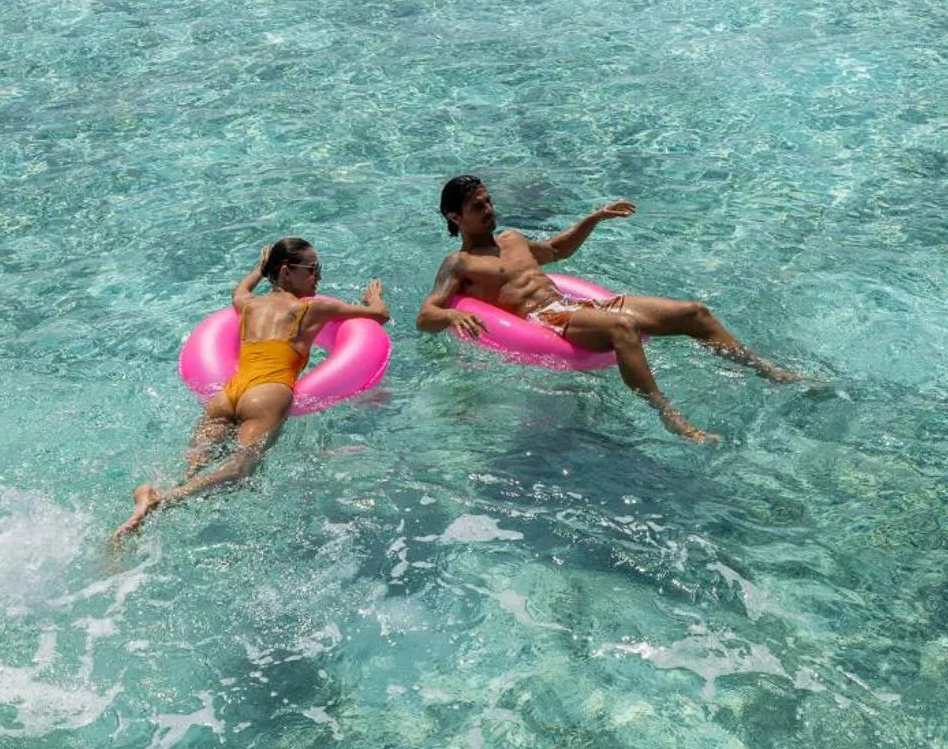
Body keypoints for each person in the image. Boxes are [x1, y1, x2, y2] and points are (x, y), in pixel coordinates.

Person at [416, 175, 801, 443]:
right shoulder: (459, 264)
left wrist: (593, 219)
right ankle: (669, 416)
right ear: (455, 217)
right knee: (623, 329)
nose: (488, 209)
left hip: (573, 304)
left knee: (694, 312)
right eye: (477, 206)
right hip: (545, 319)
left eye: (488, 201)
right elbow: (425, 315)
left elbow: (555, 251)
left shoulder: (512, 239)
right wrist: (451, 314)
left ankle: (768, 371)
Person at [115, 239, 389, 537]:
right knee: (240, 470)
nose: (318, 277)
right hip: (267, 395)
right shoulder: (312, 308)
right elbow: (380, 316)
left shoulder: (250, 305)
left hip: (227, 395)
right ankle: (164, 502)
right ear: (286, 271)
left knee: (191, 466)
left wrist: (257, 271)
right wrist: (372, 298)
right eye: (312, 269)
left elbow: (240, 291)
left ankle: (153, 492)